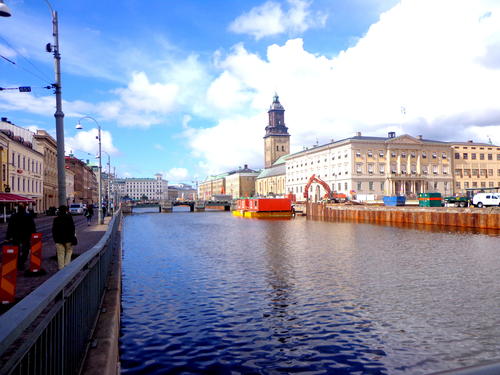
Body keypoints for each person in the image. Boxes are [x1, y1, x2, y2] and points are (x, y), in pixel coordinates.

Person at [6, 204, 37, 270]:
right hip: (26, 235)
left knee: (17, 249)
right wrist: (34, 234)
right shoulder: (28, 216)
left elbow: (10, 227)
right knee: (26, 250)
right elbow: (32, 226)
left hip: (16, 235)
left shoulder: (13, 216)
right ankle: (22, 262)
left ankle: (19, 262)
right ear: (24, 209)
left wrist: (8, 236)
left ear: (18, 209)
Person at [52, 205, 76, 270]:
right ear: (66, 210)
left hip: (58, 240)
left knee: (60, 254)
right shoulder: (69, 218)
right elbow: (72, 229)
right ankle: (67, 266)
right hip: (68, 239)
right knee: (69, 252)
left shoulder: (56, 219)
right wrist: (73, 237)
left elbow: (54, 230)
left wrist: (55, 239)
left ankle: (61, 269)